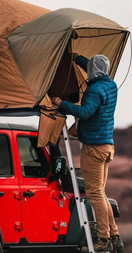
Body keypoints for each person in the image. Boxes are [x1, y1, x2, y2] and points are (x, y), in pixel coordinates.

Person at [52, 54, 125, 253]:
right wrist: (77, 58)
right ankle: (114, 235)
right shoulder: (109, 84)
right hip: (107, 146)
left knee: (94, 193)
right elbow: (93, 66)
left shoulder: (94, 90)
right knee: (101, 193)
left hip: (93, 148)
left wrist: (61, 103)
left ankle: (103, 238)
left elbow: (85, 112)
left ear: (94, 71)